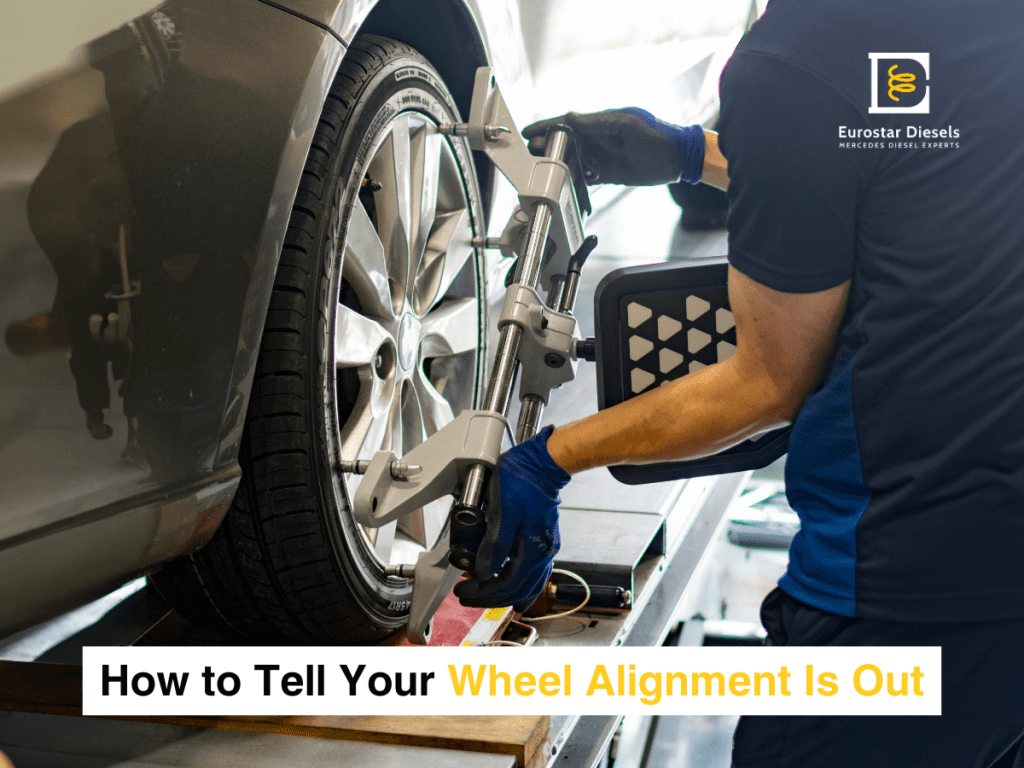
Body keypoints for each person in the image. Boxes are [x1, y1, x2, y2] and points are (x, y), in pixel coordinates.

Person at [455, 0, 1024, 765]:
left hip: (908, 593)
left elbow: (767, 384)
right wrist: (700, 153)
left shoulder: (801, 54)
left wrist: (553, 458)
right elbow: (912, 168)